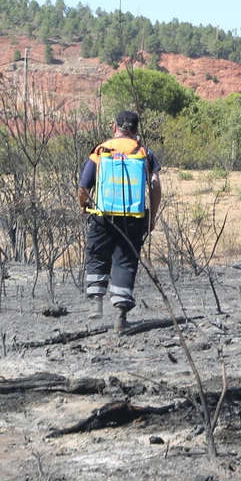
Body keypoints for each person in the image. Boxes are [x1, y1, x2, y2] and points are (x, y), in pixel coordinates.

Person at [78, 110, 163, 332]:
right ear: (136, 131)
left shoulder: (101, 150)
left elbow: (83, 186)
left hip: (102, 215)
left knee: (97, 255)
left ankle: (96, 305)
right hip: (134, 219)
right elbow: (155, 186)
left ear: (114, 128)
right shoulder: (144, 152)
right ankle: (120, 317)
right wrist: (152, 217)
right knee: (125, 262)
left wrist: (84, 206)